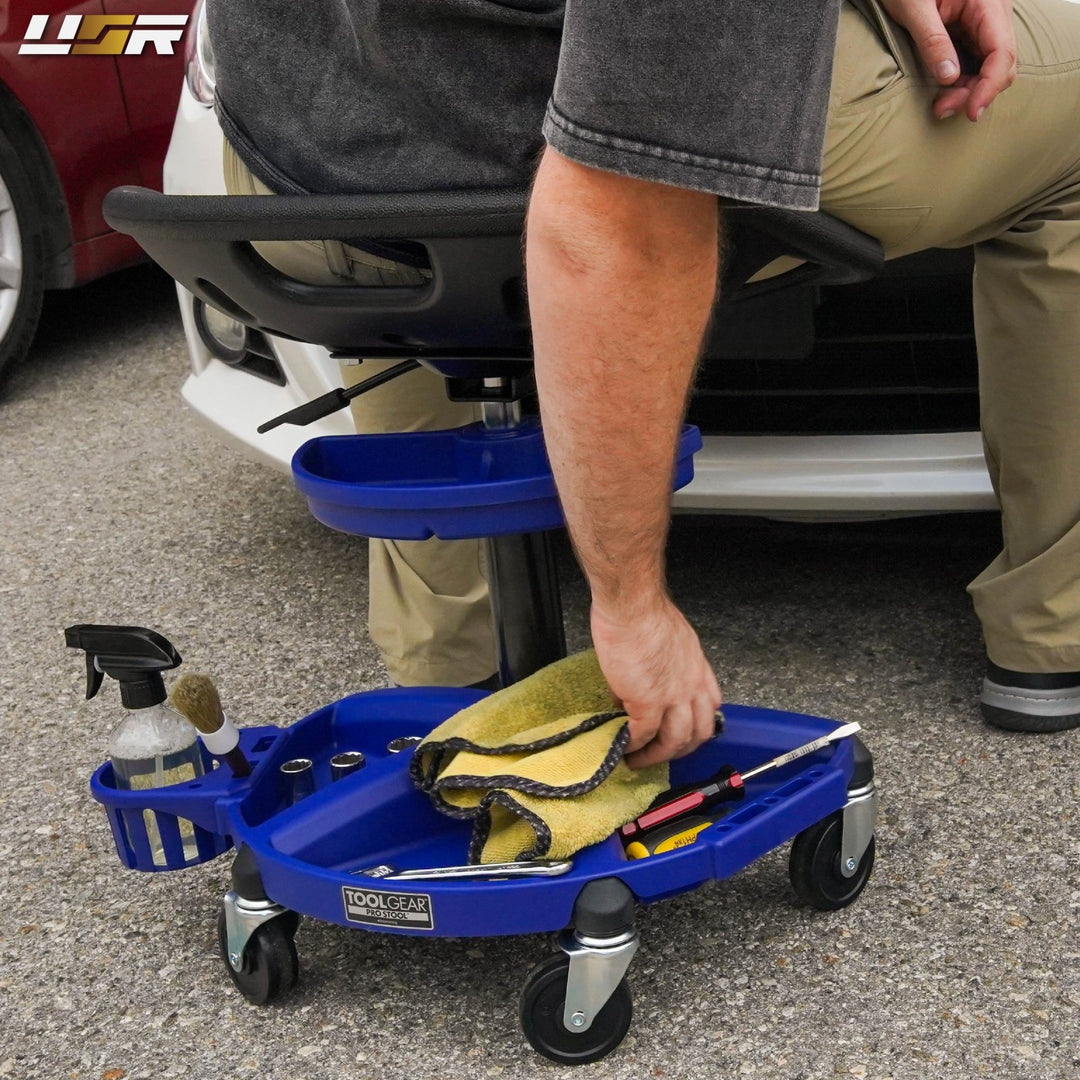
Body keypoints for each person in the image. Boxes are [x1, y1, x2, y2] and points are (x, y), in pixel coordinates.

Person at [207, 0, 1080, 764]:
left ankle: (448, 685)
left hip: (290, 167)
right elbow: (614, 213)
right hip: (538, 150)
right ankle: (1051, 627)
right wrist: (631, 609)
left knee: (406, 255)